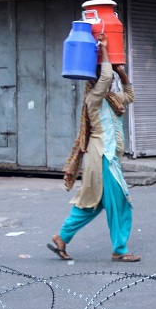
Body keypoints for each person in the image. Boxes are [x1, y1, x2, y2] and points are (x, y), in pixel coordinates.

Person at [47, 33, 140, 263]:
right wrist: (106, 50)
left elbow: (130, 94)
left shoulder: (111, 98)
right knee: (120, 203)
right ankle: (120, 249)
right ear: (94, 79)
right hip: (103, 158)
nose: (104, 78)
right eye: (100, 76)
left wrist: (121, 72)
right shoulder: (94, 98)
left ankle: (62, 237)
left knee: (93, 205)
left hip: (107, 158)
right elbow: (106, 75)